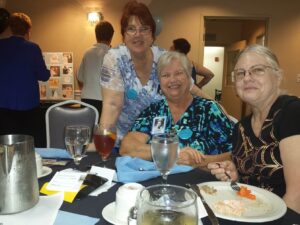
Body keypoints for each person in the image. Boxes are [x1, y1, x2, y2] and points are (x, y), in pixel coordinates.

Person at [100, 0, 210, 148]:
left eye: (144, 29)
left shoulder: (164, 58)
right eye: (131, 29)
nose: (137, 35)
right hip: (121, 145)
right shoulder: (115, 58)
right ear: (124, 35)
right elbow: (112, 105)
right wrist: (102, 143)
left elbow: (192, 89)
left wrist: (219, 110)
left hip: (161, 145)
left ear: (152, 34)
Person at [207, 44, 300, 213]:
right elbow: (249, 185)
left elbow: (296, 197)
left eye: (257, 70)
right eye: (240, 73)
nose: (247, 78)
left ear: (277, 76)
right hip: (253, 213)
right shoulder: (240, 128)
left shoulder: (293, 113)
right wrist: (235, 175)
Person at [120, 51, 234, 167]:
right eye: (165, 75)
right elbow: (127, 148)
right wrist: (171, 152)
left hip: (201, 182)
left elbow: (236, 154)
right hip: (159, 180)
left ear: (189, 77)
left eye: (178, 73)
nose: (172, 80)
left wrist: (200, 162)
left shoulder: (209, 110)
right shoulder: (154, 111)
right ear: (159, 81)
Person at [0, 12, 50, 147]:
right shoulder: (33, 48)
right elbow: (44, 76)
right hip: (28, 106)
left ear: (10, 28)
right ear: (28, 29)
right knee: (28, 144)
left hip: (3, 105)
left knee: (6, 144)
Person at [77, 21, 114, 118]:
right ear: (111, 37)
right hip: (105, 100)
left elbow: (80, 77)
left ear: (96, 35)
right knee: (103, 131)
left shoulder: (87, 52)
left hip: (87, 99)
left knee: (87, 129)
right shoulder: (113, 55)